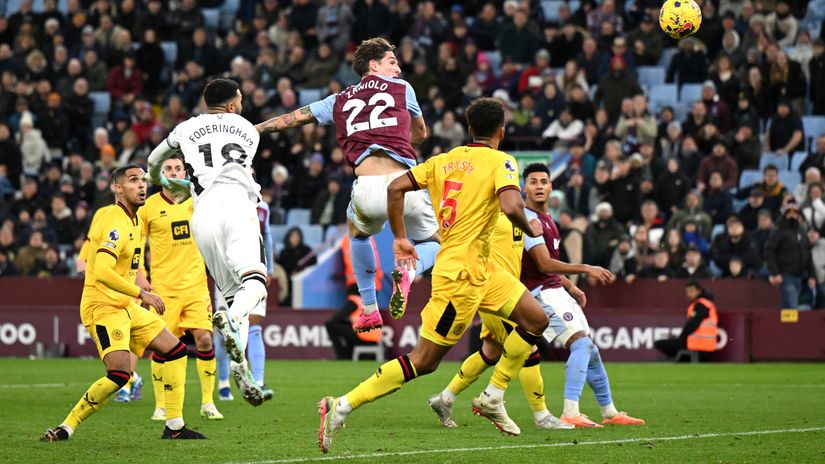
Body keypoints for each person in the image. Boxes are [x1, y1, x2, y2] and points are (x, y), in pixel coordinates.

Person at [317, 98, 549, 453]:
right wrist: (529, 225)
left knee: (536, 319)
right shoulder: (502, 161)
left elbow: (395, 188)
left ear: (469, 130)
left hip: (483, 269)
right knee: (423, 361)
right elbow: (510, 205)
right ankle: (342, 404)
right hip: (459, 277)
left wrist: (399, 238)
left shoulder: (441, 161)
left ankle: (493, 395)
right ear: (501, 132)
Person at [254, 38, 439, 333]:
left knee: (357, 236)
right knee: (436, 243)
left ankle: (368, 309)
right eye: (392, 62)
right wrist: (407, 140)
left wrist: (255, 129)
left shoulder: (337, 100)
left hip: (366, 188)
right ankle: (411, 270)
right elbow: (421, 132)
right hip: (406, 185)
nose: (398, 68)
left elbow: (293, 118)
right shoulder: (403, 89)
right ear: (373, 64)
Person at [428, 162, 632, 430]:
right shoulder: (525, 218)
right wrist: (585, 268)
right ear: (523, 187)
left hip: (511, 290)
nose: (538, 186)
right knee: (546, 346)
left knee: (492, 351)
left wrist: (570, 285)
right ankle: (550, 413)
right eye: (533, 182)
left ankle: (446, 397)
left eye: (543, 182)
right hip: (516, 294)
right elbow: (544, 263)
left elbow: (539, 265)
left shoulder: (544, 220)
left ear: (551, 186)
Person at [42, 165, 206, 441]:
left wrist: (139, 282)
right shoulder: (114, 223)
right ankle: (66, 427)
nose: (141, 185)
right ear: (117, 189)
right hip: (103, 307)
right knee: (120, 374)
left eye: (143, 180)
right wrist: (143, 294)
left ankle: (174, 426)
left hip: (126, 305)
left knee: (176, 350)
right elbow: (103, 272)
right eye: (133, 181)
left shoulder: (136, 220)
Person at [145, 78, 267, 406]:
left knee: (230, 294)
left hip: (202, 213)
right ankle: (232, 319)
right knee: (255, 286)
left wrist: (158, 179)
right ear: (231, 105)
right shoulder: (248, 130)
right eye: (239, 100)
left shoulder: (186, 128)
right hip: (237, 204)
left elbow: (155, 160)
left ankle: (242, 372)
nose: (241, 105)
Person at [139, 154, 223, 421]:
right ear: (159, 174)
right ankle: (161, 405)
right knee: (162, 347)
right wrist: (140, 276)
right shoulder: (148, 207)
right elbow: (136, 245)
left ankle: (208, 402)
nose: (174, 173)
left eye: (178, 168)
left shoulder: (198, 202)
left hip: (196, 286)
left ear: (186, 173)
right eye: (168, 169)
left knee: (205, 339)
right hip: (164, 289)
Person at [654, 281, 718, 362]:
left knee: (659, 343)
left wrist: (681, 338)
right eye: (687, 292)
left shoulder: (701, 305)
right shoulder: (707, 304)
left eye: (691, 291)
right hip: (706, 346)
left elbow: (693, 324)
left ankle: (676, 359)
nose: (689, 294)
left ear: (699, 291)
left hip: (696, 344)